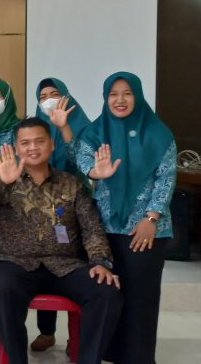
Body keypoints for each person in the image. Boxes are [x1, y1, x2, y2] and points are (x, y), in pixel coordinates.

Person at [0, 118, 122, 364]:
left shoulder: (71, 183)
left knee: (106, 292)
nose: (32, 147)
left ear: (52, 144)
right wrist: (3, 180)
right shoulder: (4, 177)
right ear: (16, 147)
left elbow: (91, 227)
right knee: (2, 292)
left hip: (65, 265)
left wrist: (100, 261)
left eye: (39, 141)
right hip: (15, 263)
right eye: (25, 143)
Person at [75, 71, 177, 364]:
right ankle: (111, 353)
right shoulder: (95, 132)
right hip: (104, 229)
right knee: (108, 293)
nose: (120, 100)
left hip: (146, 230)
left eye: (127, 93)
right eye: (113, 94)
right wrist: (95, 172)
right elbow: (83, 161)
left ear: (138, 96)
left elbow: (166, 177)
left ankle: (139, 357)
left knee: (141, 297)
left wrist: (151, 218)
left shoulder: (159, 134)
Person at [30, 77, 92, 350]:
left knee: (73, 265)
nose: (48, 100)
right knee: (46, 258)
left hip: (75, 204)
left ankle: (75, 335)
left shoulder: (83, 127)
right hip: (42, 204)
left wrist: (64, 127)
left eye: (54, 94)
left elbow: (83, 160)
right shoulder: (36, 127)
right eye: (42, 97)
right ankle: (47, 331)